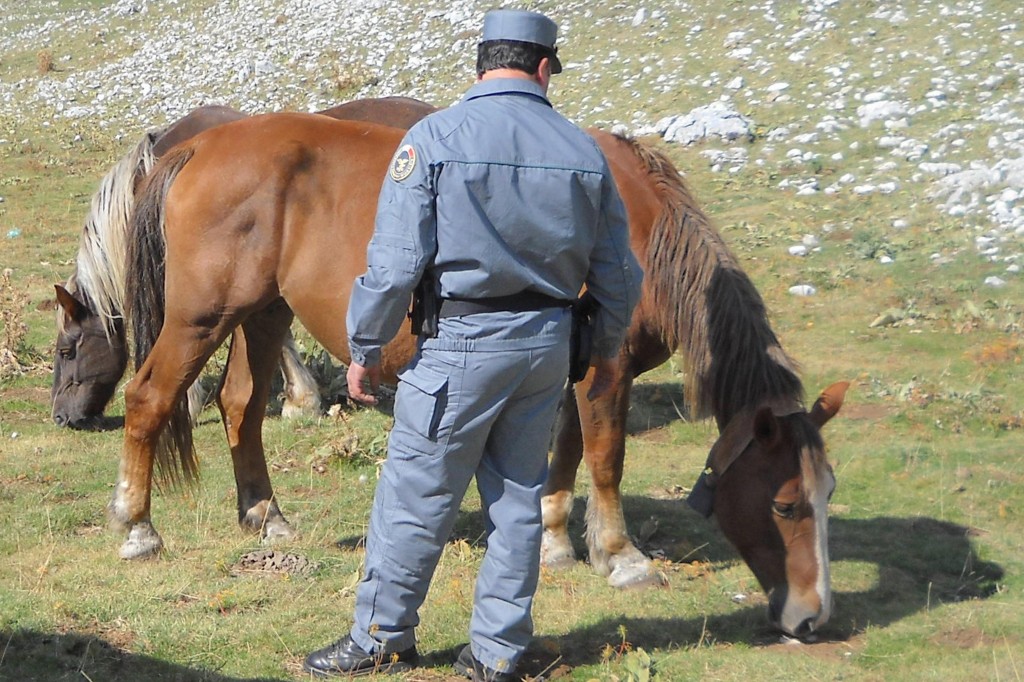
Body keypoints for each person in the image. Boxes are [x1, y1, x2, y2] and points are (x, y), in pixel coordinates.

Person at [303, 8, 642, 681]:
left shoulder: (434, 138)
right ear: (542, 68)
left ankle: (381, 638)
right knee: (518, 503)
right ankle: (498, 651)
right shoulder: (584, 151)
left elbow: (395, 265)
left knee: (416, 496)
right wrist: (604, 351)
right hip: (547, 348)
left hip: (459, 343)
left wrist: (364, 346)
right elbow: (619, 275)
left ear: (483, 63)